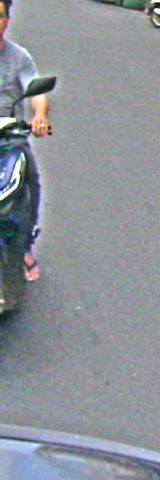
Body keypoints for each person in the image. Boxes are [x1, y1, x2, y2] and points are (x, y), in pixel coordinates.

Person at [0, 0, 50, 282]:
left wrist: (39, 116)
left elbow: (36, 92)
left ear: (7, 20)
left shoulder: (19, 57)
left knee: (30, 177)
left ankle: (25, 246)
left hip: (9, 136)